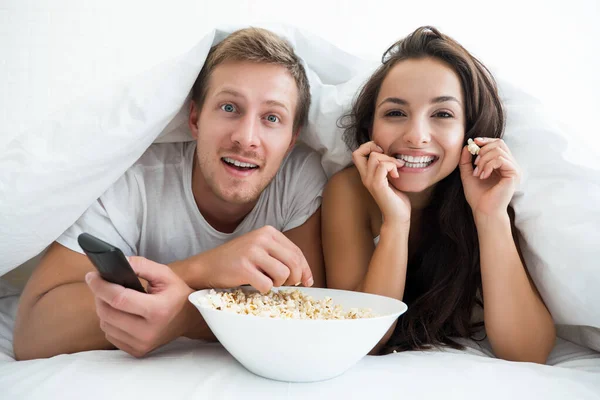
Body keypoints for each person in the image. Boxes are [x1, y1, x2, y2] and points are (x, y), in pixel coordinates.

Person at [14, 27, 327, 360]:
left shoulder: (298, 179)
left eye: (272, 117)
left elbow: (306, 319)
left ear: (292, 140)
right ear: (194, 118)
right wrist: (198, 270)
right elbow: (34, 333)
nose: (246, 137)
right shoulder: (135, 181)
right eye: (229, 108)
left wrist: (187, 315)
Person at [321, 26, 556, 363]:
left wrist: (490, 216)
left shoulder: (484, 195)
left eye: (442, 114)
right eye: (395, 113)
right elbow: (361, 340)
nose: (417, 136)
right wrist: (396, 222)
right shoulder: (349, 192)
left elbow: (528, 352)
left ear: (469, 132)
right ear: (370, 128)